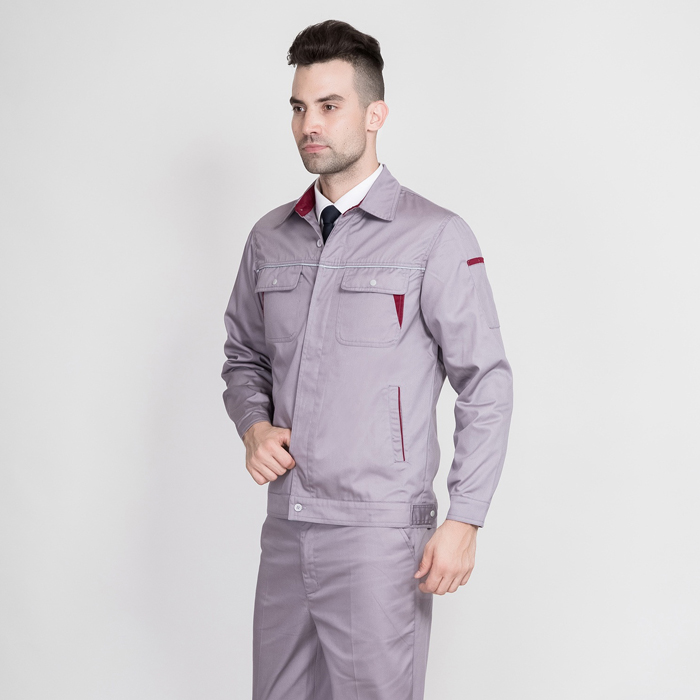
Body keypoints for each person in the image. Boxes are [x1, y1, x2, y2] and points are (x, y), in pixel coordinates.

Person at [221, 19, 514, 700]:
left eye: (330, 106)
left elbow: (486, 382)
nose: (309, 125)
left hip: (379, 537)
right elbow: (243, 356)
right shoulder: (270, 239)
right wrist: (254, 425)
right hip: (288, 526)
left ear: (375, 114)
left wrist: (465, 518)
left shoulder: (434, 237)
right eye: (299, 108)